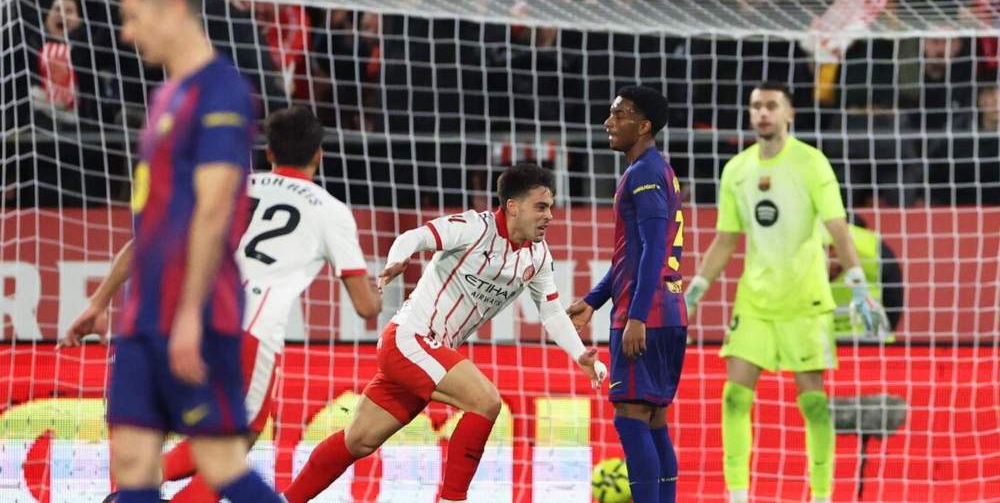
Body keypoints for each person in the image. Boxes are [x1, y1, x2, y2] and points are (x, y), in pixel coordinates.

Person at [62, 106, 382, 501]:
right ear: (320, 155)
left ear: (269, 153)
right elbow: (366, 308)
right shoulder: (330, 211)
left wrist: (97, 302)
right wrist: (378, 289)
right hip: (247, 328)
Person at [55, 0, 280, 503]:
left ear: (173, 8)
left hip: (196, 314)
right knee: (132, 462)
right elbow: (153, 226)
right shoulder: (165, 98)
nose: (126, 32)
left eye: (133, 17)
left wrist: (187, 314)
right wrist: (103, 301)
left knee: (222, 464)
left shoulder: (222, 92)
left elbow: (213, 209)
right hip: (142, 317)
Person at [282, 163, 607, 503]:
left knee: (359, 440)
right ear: (513, 206)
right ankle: (452, 499)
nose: (550, 216)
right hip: (410, 339)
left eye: (551, 207)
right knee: (486, 402)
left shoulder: (538, 256)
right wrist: (398, 258)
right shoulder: (472, 228)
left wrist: (579, 355)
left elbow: (552, 312)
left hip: (428, 353)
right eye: (541, 206)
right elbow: (414, 237)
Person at [683, 82, 888, 503]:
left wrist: (859, 287)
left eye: (771, 106)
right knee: (734, 396)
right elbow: (726, 239)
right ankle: (738, 495)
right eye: (756, 106)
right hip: (756, 302)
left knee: (813, 404)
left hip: (805, 302)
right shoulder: (736, 169)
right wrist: (692, 294)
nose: (762, 113)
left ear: (788, 113)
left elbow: (838, 229)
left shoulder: (812, 164)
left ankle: (823, 495)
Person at [567, 86, 687, 503]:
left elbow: (654, 248)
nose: (609, 122)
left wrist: (635, 317)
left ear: (644, 125)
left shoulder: (644, 174)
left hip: (647, 314)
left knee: (631, 418)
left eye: (620, 115)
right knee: (653, 419)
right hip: (666, 309)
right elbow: (633, 255)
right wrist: (594, 300)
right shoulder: (654, 170)